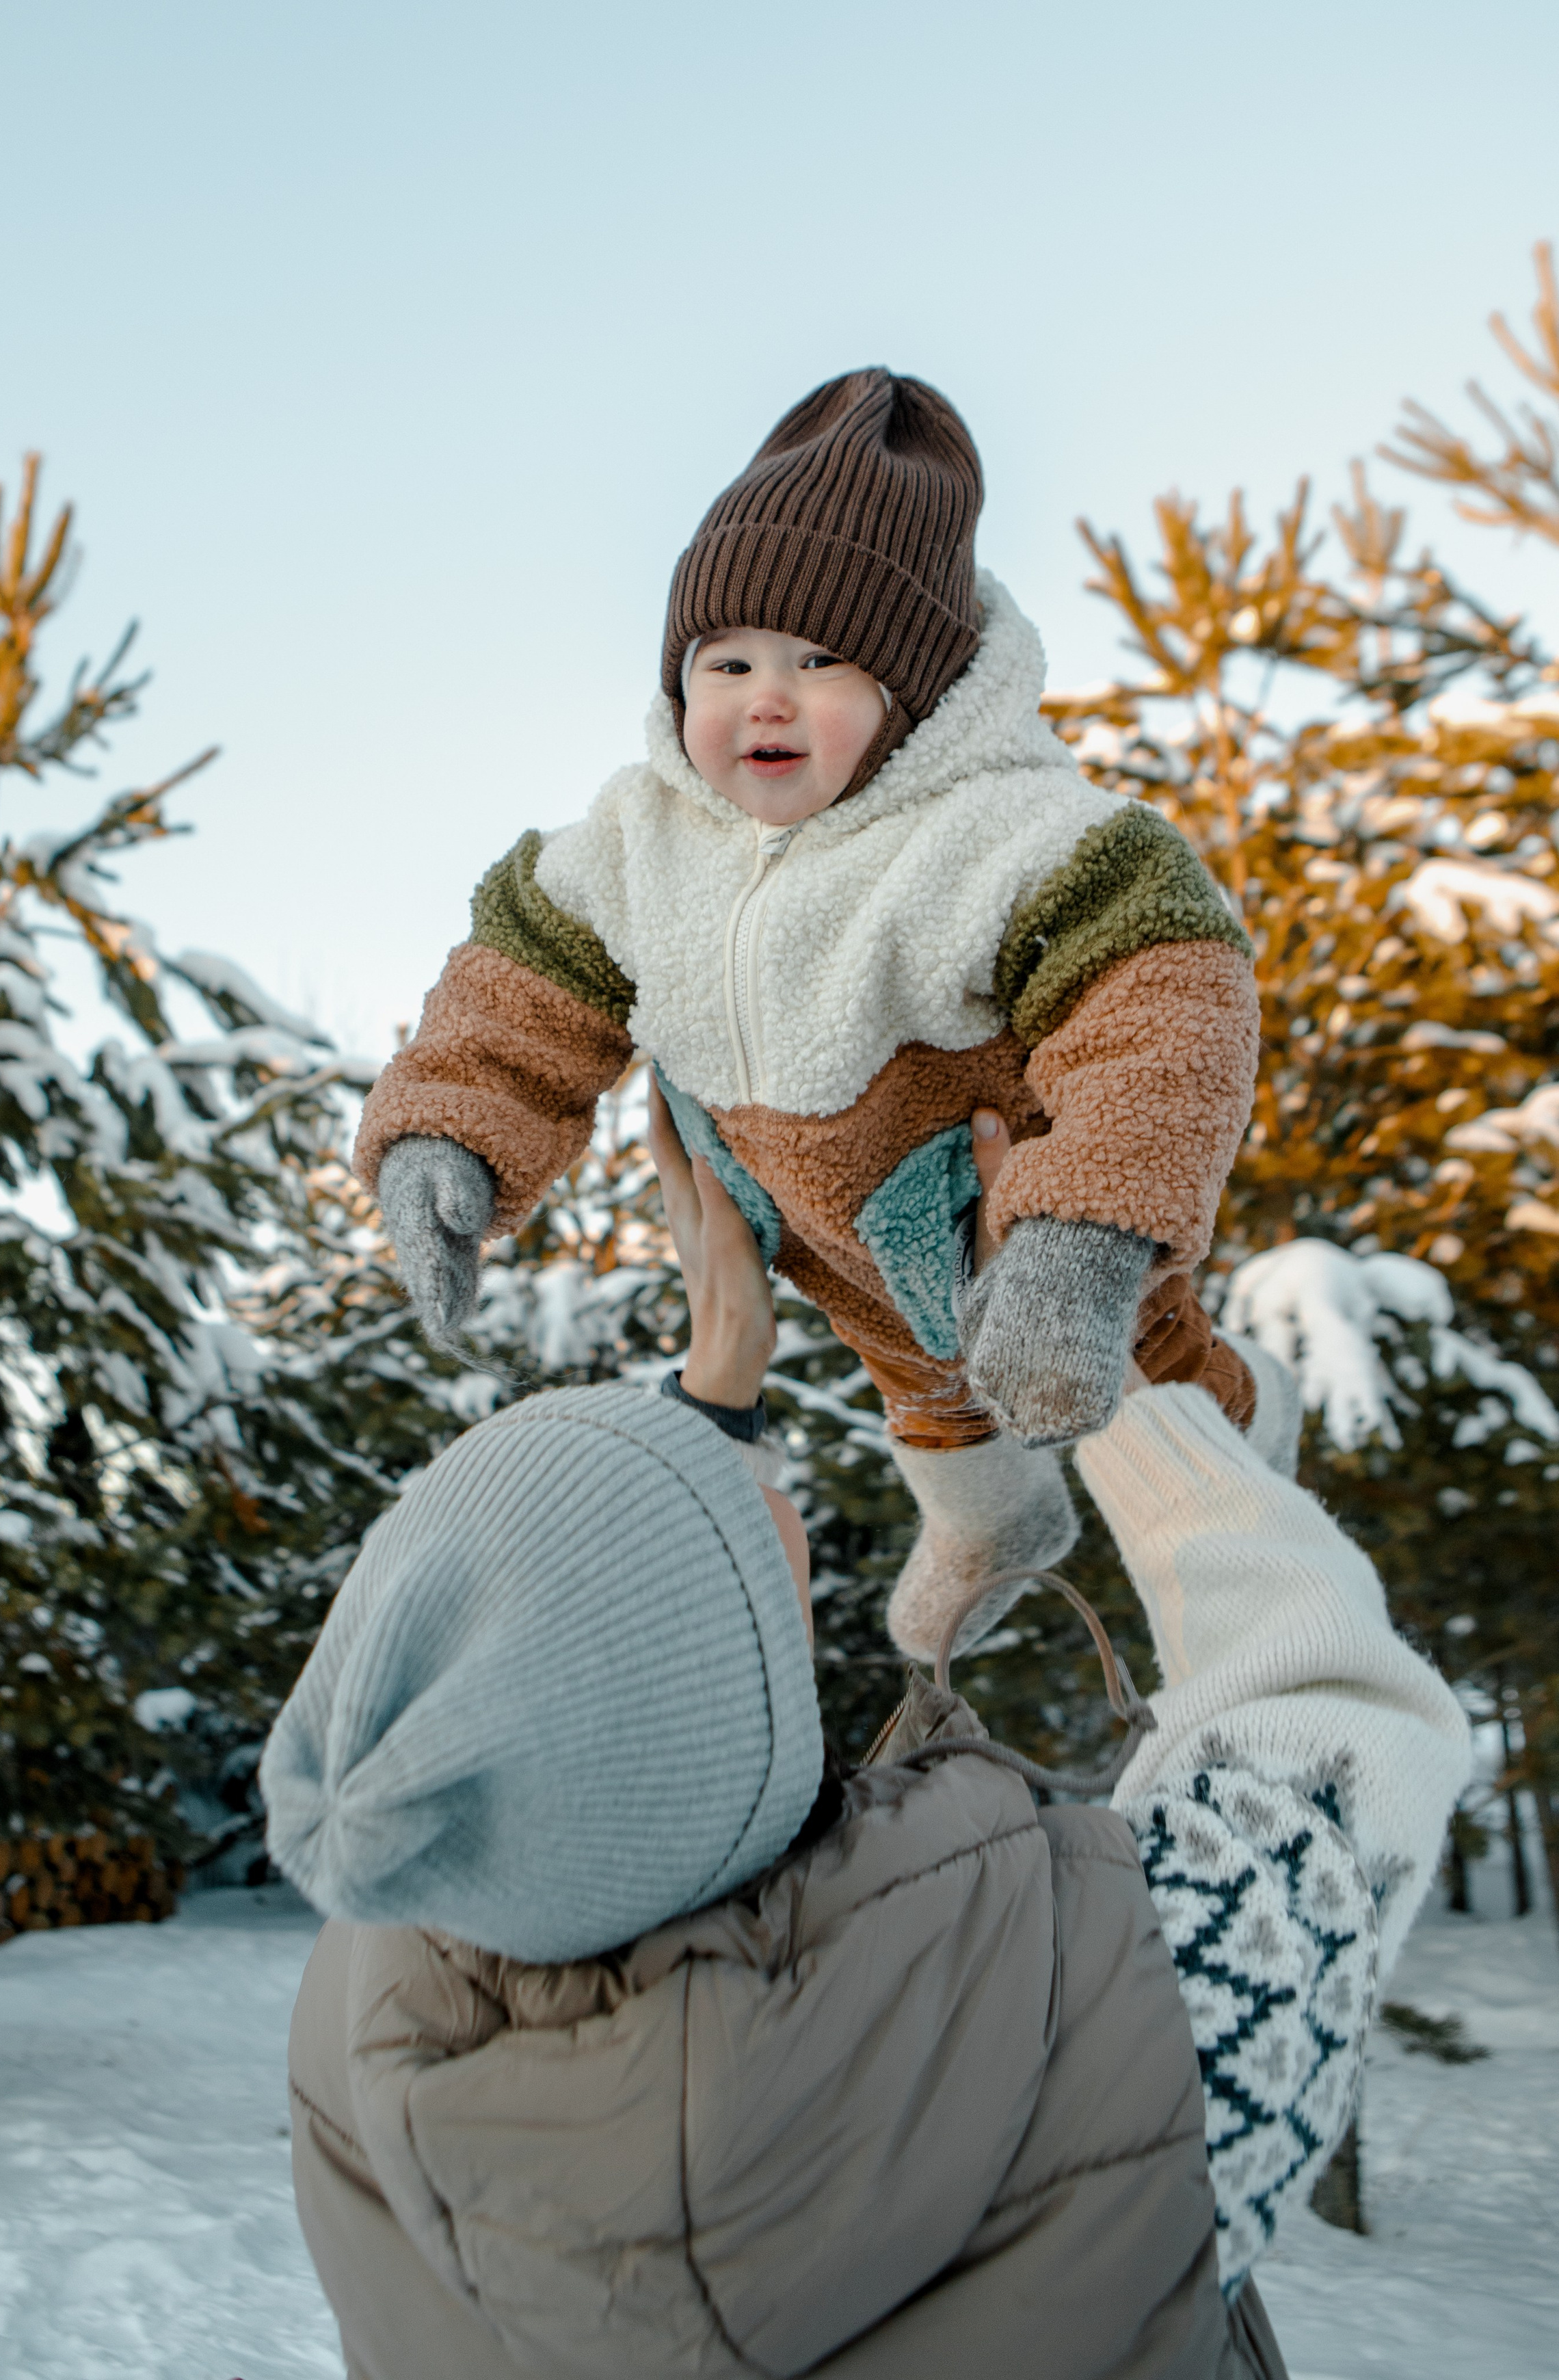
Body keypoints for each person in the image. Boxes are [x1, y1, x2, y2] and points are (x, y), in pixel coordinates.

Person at [263, 1098, 1469, 2380]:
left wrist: (719, 1365)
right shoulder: (1088, 2030)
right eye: (727, 1509)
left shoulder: (388, 1944)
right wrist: (1090, 1360)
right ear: (724, 1709)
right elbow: (1341, 1720)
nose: (755, 1480)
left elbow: (564, 1696)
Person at [350, 367, 1271, 1663]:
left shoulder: (1004, 833)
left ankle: (1243, 1462)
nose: (763, 698)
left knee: (1137, 1365)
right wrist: (449, 1136)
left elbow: (1165, 996)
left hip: (1007, 1212)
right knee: (918, 1381)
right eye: (724, 662)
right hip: (826, 1232)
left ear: (913, 692)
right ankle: (992, 1523)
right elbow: (523, 984)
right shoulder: (635, 837)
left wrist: (1087, 1235)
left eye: (820, 662)